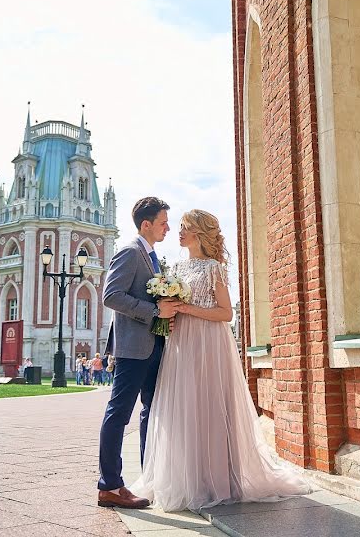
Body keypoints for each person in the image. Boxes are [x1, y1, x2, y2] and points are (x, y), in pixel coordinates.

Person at [130, 209, 310, 512]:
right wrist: (168, 314)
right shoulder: (175, 266)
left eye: (185, 227)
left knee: (210, 405)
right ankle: (187, 478)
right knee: (184, 408)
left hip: (208, 344)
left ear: (199, 233)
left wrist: (187, 311)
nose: (178, 232)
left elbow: (226, 313)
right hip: (181, 345)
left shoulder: (214, 268)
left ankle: (217, 479)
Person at [96, 197, 178, 509]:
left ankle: (149, 477)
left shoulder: (153, 256)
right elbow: (111, 296)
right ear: (146, 224)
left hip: (155, 346)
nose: (167, 227)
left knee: (151, 413)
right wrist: (155, 310)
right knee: (119, 413)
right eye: (162, 222)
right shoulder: (130, 252)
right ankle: (110, 486)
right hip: (132, 349)